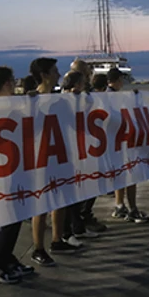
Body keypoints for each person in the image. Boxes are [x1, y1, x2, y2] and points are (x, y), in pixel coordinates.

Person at [23, 58, 78, 267]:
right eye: (54, 71)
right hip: (41, 158)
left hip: (60, 155)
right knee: (42, 203)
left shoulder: (57, 99)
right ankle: (38, 248)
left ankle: (57, 239)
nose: (58, 74)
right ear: (45, 74)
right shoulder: (32, 100)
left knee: (61, 199)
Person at [0, 66, 37, 284]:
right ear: (7, 82)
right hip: (1, 170)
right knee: (9, 217)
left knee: (15, 216)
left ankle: (8, 258)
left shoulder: (7, 104)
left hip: (15, 167)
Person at [60, 71, 102, 240]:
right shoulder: (62, 99)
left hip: (79, 150)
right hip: (69, 151)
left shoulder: (82, 98)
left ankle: (77, 227)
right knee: (71, 195)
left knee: (79, 191)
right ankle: (69, 230)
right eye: (83, 82)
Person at [106, 67, 149, 223]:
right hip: (121, 141)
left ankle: (120, 205)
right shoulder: (112, 96)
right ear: (118, 80)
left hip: (114, 143)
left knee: (120, 174)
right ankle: (132, 209)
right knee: (131, 174)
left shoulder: (106, 95)